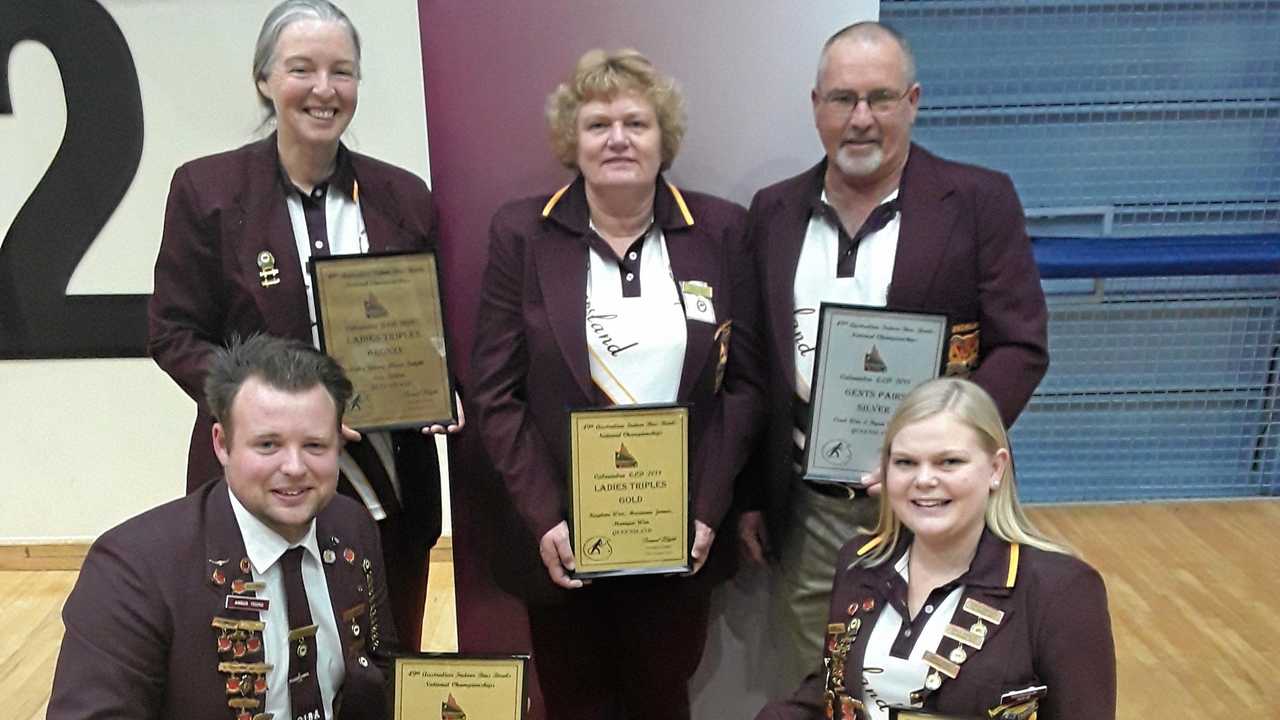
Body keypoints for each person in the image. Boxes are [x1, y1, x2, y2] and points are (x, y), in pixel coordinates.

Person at [736, 21, 1050, 690]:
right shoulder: (773, 212)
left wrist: (941, 448)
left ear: (913, 100)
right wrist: (749, 496)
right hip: (813, 507)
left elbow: (1020, 346)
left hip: (938, 503)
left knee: (938, 680)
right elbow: (754, 367)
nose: (861, 119)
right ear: (814, 104)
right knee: (817, 681)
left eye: (880, 98)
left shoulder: (976, 202)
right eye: (842, 99)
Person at [147, 0, 454, 648]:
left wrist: (441, 383)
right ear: (265, 79)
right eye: (302, 69)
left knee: (385, 662)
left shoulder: (404, 198)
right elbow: (173, 332)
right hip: (258, 481)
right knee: (258, 672)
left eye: (341, 72)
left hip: (387, 488)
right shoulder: (208, 192)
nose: (324, 89)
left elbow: (433, 326)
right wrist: (270, 410)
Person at [469, 48, 765, 718]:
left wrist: (708, 508)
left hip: (678, 531)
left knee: (663, 696)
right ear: (571, 141)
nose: (619, 139)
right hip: (562, 537)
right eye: (598, 124)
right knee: (574, 703)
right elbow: (494, 390)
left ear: (666, 138)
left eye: (637, 122)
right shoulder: (522, 233)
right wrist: (544, 517)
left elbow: (745, 386)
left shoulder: (720, 230)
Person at [48, 334, 399, 720]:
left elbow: (379, 673)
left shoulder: (352, 527)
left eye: (315, 445)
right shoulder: (132, 569)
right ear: (222, 444)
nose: (295, 468)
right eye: (268, 445)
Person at [757, 378, 1115, 720]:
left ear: (996, 468)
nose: (924, 480)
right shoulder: (859, 562)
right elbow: (830, 692)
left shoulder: (1061, 590)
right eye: (906, 463)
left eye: (949, 462)